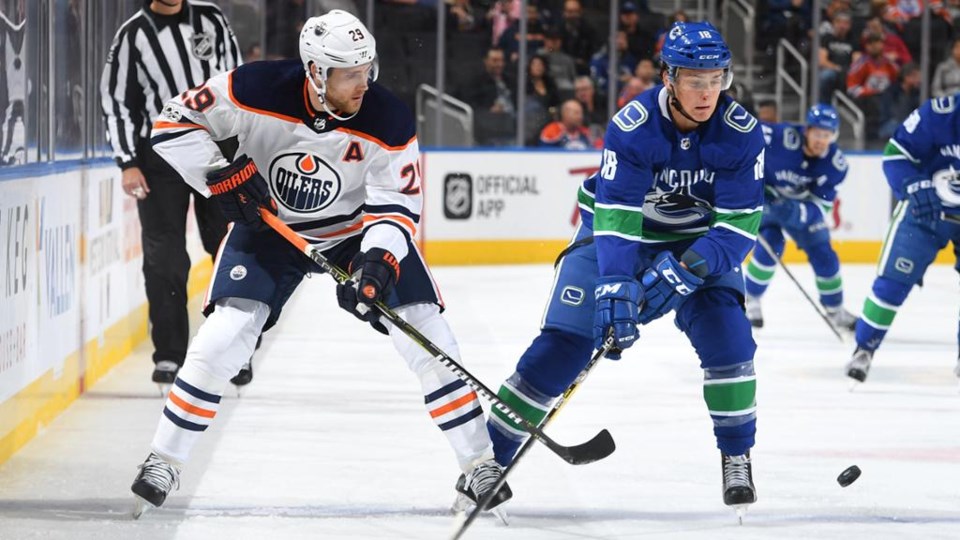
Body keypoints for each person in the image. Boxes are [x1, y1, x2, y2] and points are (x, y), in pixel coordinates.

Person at [129, 10, 510, 517]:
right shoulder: (254, 86)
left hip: (355, 234)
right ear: (314, 71)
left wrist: (377, 261)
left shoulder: (388, 117)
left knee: (427, 331)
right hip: (268, 226)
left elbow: (397, 202)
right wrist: (222, 175)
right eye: (349, 74)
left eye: (367, 69)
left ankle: (478, 462)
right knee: (226, 334)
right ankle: (164, 459)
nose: (364, 83)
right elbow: (172, 124)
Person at [486, 21, 765, 514]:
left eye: (716, 79)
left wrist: (688, 267)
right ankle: (490, 458)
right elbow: (615, 216)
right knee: (564, 345)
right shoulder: (634, 125)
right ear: (668, 77)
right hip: (619, 239)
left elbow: (740, 224)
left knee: (730, 340)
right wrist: (615, 283)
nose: (707, 93)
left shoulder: (741, 132)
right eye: (695, 80)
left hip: (697, 241)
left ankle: (736, 454)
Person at [99, 0, 256, 390]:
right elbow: (116, 102)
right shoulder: (133, 35)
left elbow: (238, 80)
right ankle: (170, 353)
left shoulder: (212, 18)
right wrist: (127, 161)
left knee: (229, 248)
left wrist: (249, 142)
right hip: (160, 155)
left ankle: (234, 351)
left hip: (217, 149)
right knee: (164, 257)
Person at [846, 94, 960, 383]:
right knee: (892, 284)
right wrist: (913, 183)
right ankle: (865, 347)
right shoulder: (938, 114)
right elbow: (897, 154)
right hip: (925, 212)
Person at [744, 104, 857, 331]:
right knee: (771, 245)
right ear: (807, 130)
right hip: (768, 201)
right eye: (817, 133)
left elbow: (823, 204)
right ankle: (752, 299)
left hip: (801, 210)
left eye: (827, 135)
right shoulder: (778, 137)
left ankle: (835, 310)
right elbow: (743, 136)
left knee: (825, 255)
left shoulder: (836, 164)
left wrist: (799, 213)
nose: (821, 140)